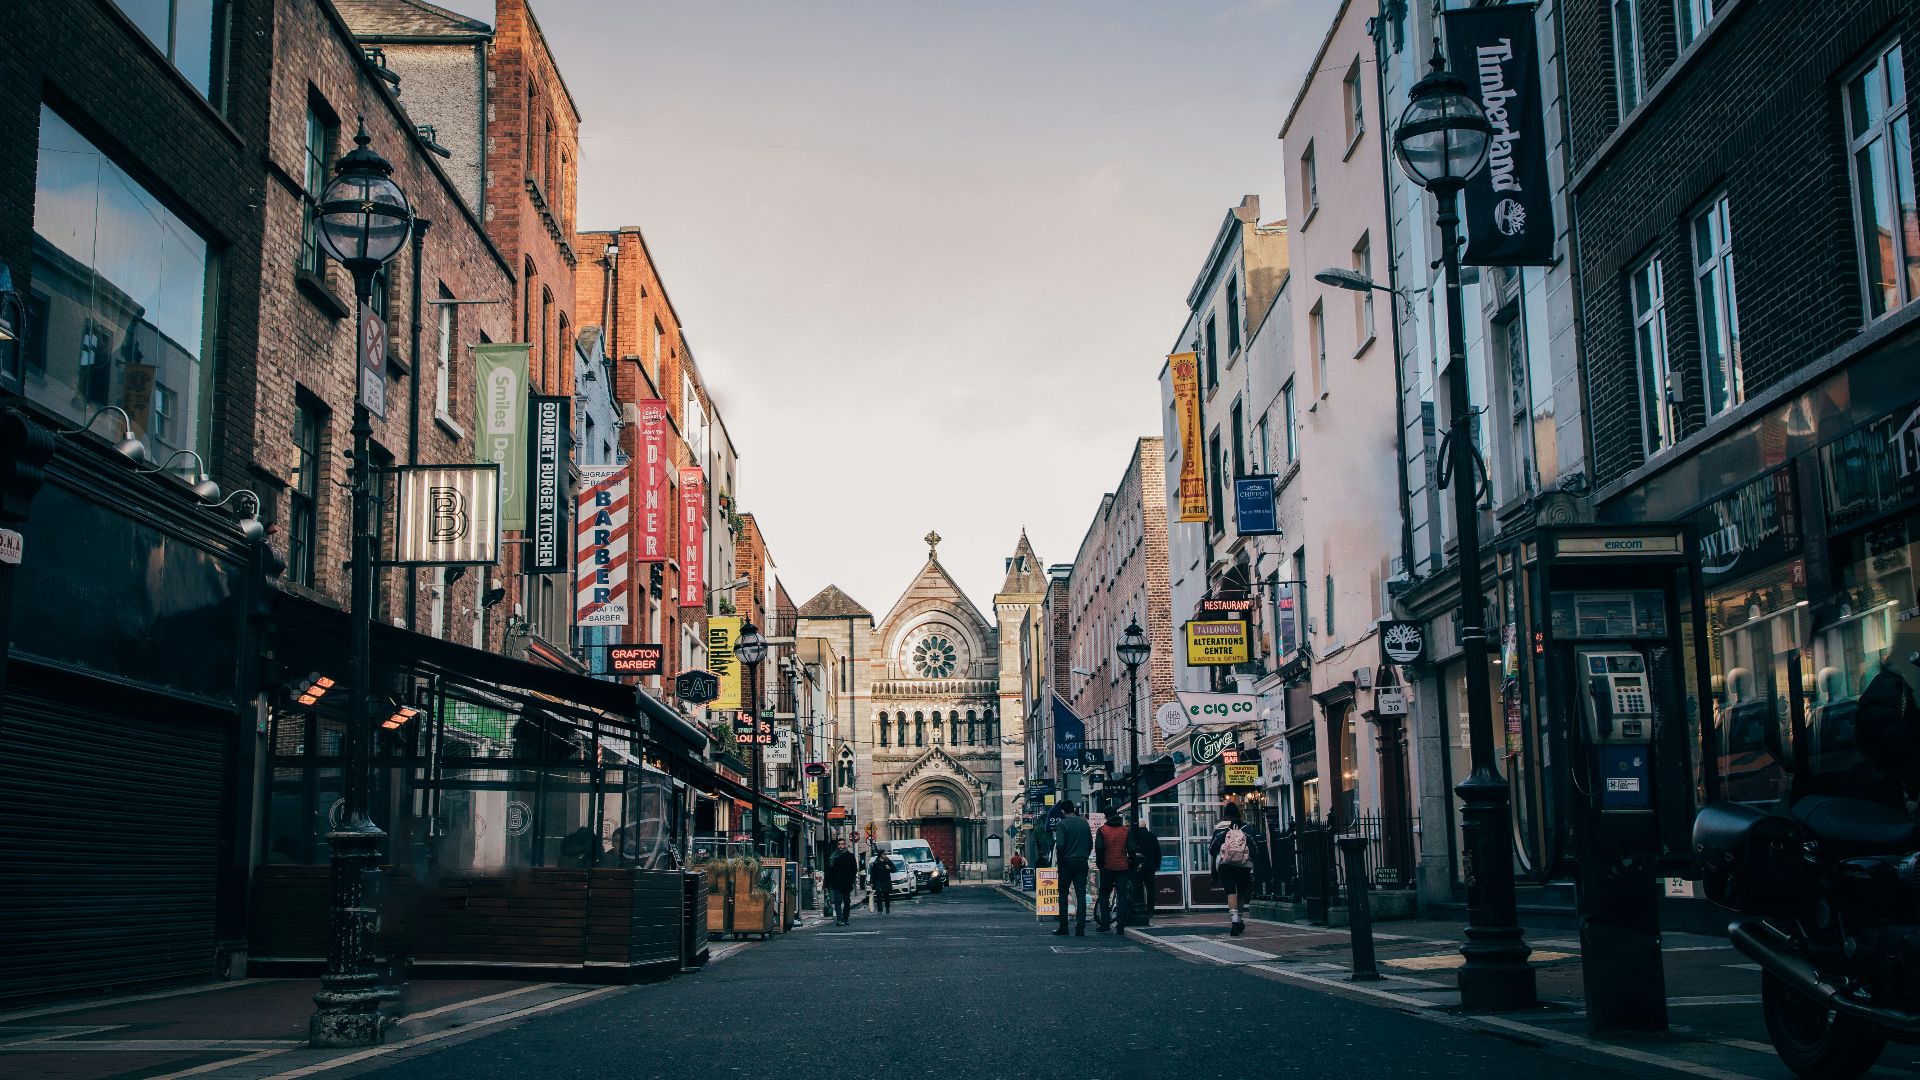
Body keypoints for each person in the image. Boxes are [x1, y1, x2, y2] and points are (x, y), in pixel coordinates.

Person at [1211, 801, 1254, 936]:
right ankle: (1240, 920)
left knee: (1231, 892)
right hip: (1243, 864)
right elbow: (1254, 846)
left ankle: (1234, 921)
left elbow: (1212, 849)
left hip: (1226, 865)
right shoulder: (1246, 828)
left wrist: (1213, 873)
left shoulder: (1220, 828)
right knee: (1241, 892)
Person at [1051, 801, 1092, 936]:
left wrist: (1060, 863)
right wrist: (1084, 856)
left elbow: (1061, 846)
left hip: (1067, 862)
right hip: (1082, 861)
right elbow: (1090, 844)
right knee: (1081, 894)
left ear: (1063, 811)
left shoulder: (1062, 824)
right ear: (1073, 809)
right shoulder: (1084, 823)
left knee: (1063, 893)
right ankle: (1080, 928)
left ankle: (1064, 927)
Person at [1093, 810, 1133, 932]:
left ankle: (1105, 923)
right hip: (1122, 867)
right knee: (1122, 896)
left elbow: (1099, 848)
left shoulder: (1102, 830)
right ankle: (1120, 926)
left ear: (1106, 816)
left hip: (1107, 867)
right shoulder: (1125, 830)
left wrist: (1100, 863)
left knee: (1104, 895)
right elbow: (1130, 848)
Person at [1128, 814, 1160, 927]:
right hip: (1150, 866)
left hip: (1138, 866)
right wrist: (1157, 865)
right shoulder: (1152, 836)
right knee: (1151, 888)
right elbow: (1157, 851)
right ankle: (1151, 910)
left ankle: (1138, 906)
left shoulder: (1134, 835)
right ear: (1145, 826)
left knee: (1137, 886)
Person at [825, 838, 858, 925]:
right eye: (839, 844)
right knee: (837, 902)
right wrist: (827, 884)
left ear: (845, 845)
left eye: (842, 844)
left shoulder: (850, 856)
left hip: (847, 883)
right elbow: (829, 871)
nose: (840, 846)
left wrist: (851, 880)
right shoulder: (833, 856)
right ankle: (839, 919)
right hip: (836, 883)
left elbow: (854, 869)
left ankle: (846, 917)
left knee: (847, 902)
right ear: (837, 845)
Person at [868, 848, 893, 914]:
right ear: (880, 855)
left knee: (886, 896)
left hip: (886, 881)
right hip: (878, 881)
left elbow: (894, 869)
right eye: (884, 854)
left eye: (886, 854)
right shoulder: (876, 862)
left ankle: (887, 908)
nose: (885, 855)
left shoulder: (888, 861)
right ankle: (880, 910)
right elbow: (872, 873)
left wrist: (889, 868)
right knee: (879, 896)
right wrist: (871, 882)